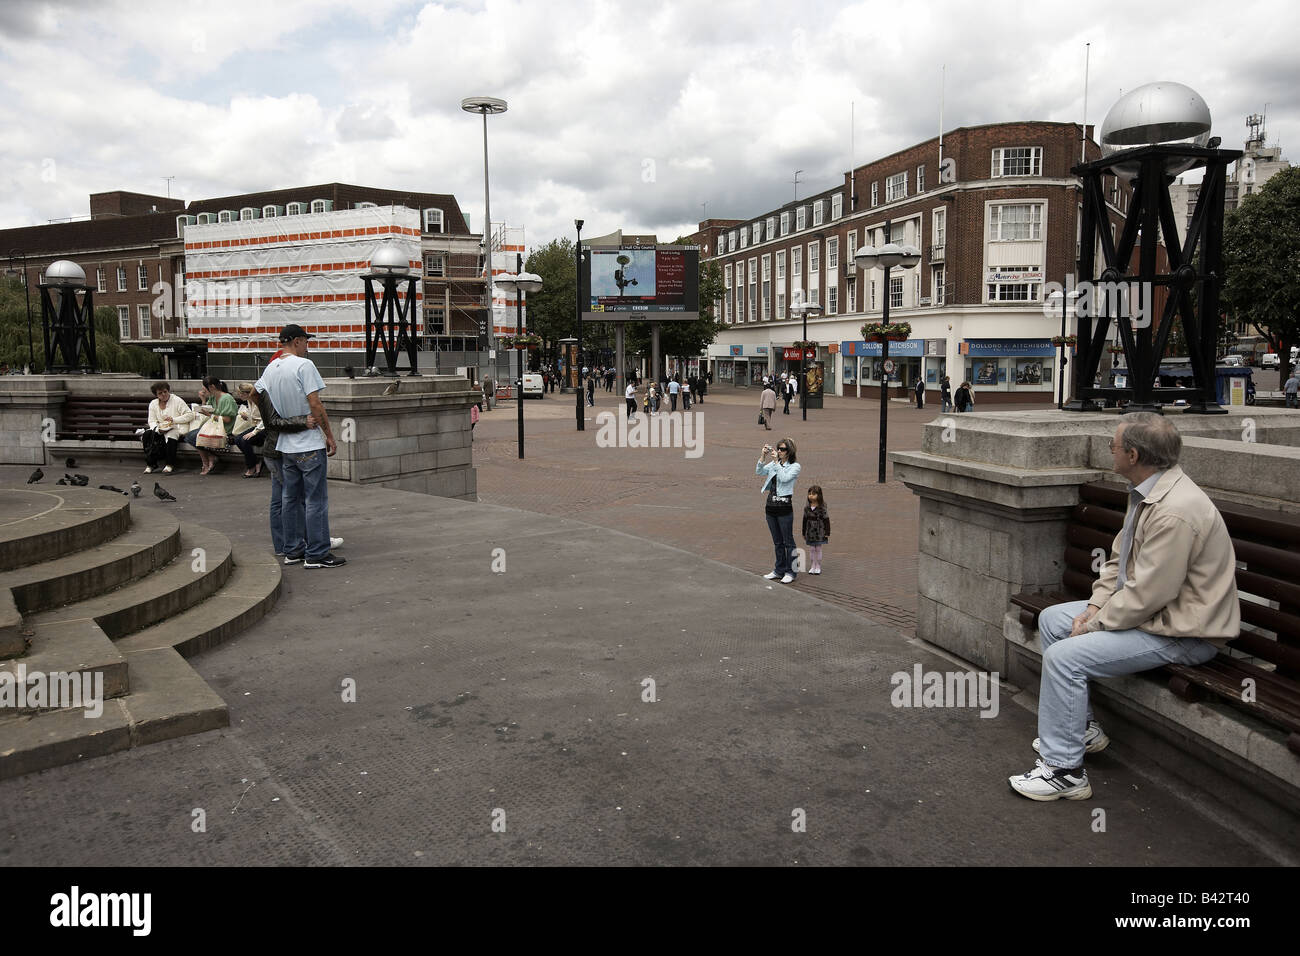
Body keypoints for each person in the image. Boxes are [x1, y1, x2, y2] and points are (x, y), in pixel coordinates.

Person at [1009, 413, 1239, 801]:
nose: (1109, 452)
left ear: (1132, 455)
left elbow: (1150, 594)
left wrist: (1095, 625)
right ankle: (1078, 731)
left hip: (1187, 631)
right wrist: (1094, 607)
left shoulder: (1174, 510)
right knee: (1052, 620)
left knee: (1065, 657)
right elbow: (1118, 563)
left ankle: (1064, 772)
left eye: (1113, 446)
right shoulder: (1150, 491)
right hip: (1156, 615)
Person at [255, 324, 345, 569]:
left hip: (286, 445)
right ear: (296, 341)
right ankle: (317, 553)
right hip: (308, 442)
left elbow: (254, 393)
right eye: (306, 341)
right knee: (315, 499)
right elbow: (315, 403)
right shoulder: (304, 365)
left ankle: (293, 550)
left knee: (290, 499)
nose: (307, 346)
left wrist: (276, 422)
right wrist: (329, 435)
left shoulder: (271, 368)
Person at [756, 438, 801, 584]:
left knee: (789, 542)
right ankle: (779, 569)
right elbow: (760, 471)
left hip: (784, 509)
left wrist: (776, 463)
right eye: (778, 449)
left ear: (789, 451)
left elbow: (785, 478)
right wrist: (763, 456)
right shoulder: (776, 463)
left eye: (782, 449)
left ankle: (791, 572)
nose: (779, 451)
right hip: (771, 508)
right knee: (777, 542)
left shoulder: (795, 466)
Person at [187, 376, 238, 476]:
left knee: (195, 436)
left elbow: (227, 419)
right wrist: (203, 400)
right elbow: (207, 409)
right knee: (189, 436)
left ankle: (206, 463)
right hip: (213, 426)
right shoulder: (213, 397)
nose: (203, 390)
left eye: (204, 388)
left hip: (224, 428)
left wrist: (210, 415)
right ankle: (211, 456)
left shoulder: (226, 398)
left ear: (212, 387)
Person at [144, 381, 194, 474]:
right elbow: (151, 420)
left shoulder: (177, 400)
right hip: (160, 428)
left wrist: (174, 420)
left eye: (165, 391)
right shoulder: (153, 404)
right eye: (160, 393)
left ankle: (169, 464)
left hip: (176, 427)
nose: (163, 394)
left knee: (171, 434)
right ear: (156, 395)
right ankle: (151, 464)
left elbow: (190, 415)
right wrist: (158, 429)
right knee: (147, 435)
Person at [231, 383, 266, 478]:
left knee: (244, 440)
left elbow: (264, 419)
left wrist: (254, 432)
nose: (239, 396)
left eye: (241, 393)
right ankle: (255, 462)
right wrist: (247, 417)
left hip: (264, 428)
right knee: (237, 439)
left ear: (247, 393)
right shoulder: (249, 402)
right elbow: (254, 418)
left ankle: (251, 466)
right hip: (257, 427)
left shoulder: (258, 401)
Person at [802, 485, 830, 575]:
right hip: (810, 532)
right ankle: (812, 565)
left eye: (813, 494)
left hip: (819, 532)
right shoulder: (807, 508)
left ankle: (818, 565)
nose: (811, 496)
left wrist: (827, 532)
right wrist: (803, 532)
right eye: (809, 494)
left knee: (818, 548)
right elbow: (804, 520)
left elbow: (826, 520)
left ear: (819, 495)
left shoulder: (822, 508)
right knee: (811, 549)